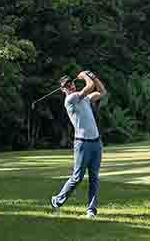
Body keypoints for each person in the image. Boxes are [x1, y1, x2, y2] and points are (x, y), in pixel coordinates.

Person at [50, 70, 107, 218]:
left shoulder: (85, 99)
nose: (70, 86)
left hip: (96, 143)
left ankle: (91, 210)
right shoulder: (70, 100)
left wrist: (93, 76)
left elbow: (102, 91)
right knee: (77, 178)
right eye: (67, 85)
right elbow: (89, 86)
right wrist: (86, 76)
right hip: (82, 144)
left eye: (71, 83)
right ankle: (57, 201)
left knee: (94, 177)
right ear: (63, 90)